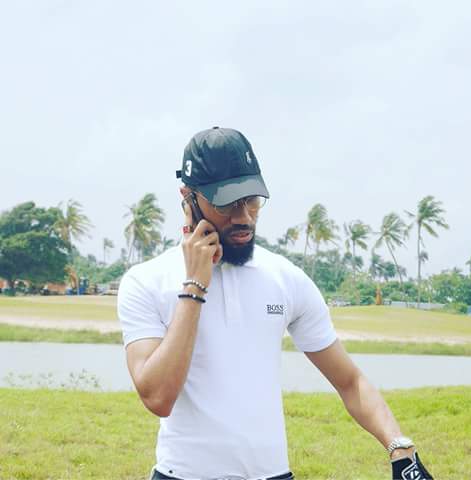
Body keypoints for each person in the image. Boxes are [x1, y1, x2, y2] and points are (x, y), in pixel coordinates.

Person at [117, 127, 434, 480]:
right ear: (188, 198)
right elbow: (157, 397)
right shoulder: (146, 281)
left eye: (252, 200)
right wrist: (194, 287)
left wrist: (400, 448)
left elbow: (350, 381)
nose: (244, 217)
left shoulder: (285, 278)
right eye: (226, 203)